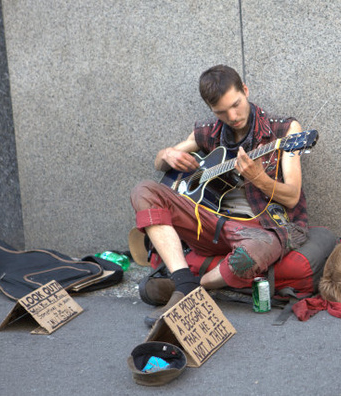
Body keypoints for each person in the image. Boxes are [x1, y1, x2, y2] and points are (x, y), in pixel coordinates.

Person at [130, 65, 309, 326]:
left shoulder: (284, 131)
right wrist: (167, 154)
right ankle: (185, 281)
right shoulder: (208, 132)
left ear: (245, 90)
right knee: (143, 190)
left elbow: (292, 197)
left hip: (260, 228)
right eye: (221, 112)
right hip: (210, 223)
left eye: (236, 104)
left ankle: (188, 287)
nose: (233, 116)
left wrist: (259, 178)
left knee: (254, 251)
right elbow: (160, 163)